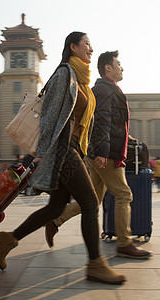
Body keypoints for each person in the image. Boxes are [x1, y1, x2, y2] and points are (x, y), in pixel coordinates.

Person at [0, 32, 125, 284]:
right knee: (89, 203)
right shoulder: (65, 74)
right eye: (86, 44)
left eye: (91, 45)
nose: (91, 48)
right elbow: (50, 116)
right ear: (73, 47)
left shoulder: (83, 81)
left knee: (55, 207)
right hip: (62, 149)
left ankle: (9, 239)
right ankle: (95, 264)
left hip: (73, 146)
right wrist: (43, 153)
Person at [45, 50, 152, 259]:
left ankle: (55, 220)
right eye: (118, 63)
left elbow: (111, 122)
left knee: (92, 199)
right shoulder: (104, 90)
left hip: (101, 151)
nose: (122, 67)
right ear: (108, 68)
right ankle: (124, 243)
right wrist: (103, 152)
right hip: (105, 154)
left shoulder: (107, 89)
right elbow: (101, 122)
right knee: (123, 194)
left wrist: (125, 138)